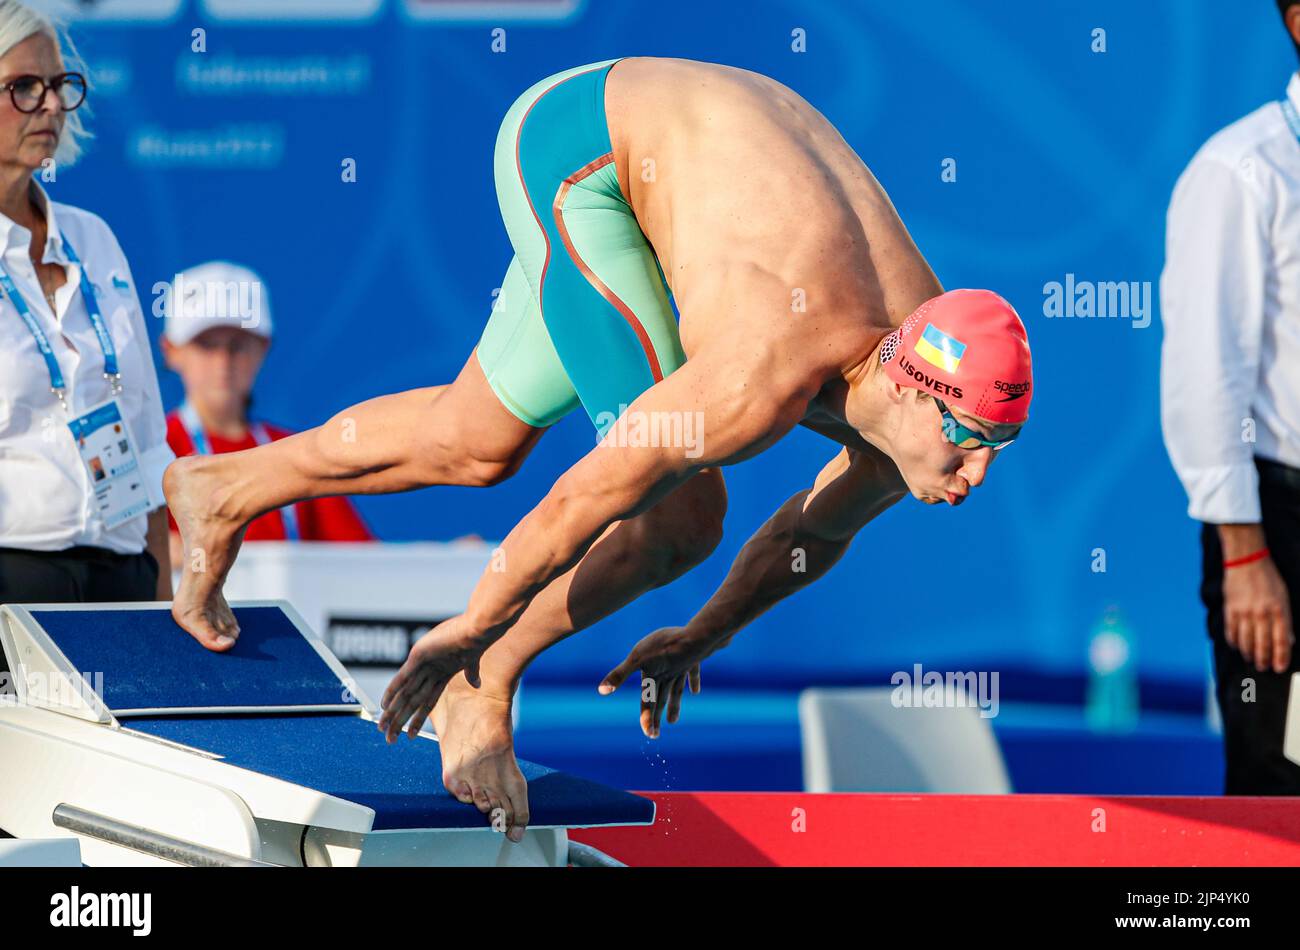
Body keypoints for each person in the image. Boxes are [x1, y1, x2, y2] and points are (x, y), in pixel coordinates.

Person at [165, 57, 1033, 839]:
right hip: (584, 158)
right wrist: (475, 632)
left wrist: (704, 633)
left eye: (1000, 444)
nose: (979, 469)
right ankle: (485, 684)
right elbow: (588, 494)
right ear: (913, 389)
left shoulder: (911, 381)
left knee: (476, 443)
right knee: (681, 517)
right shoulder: (760, 374)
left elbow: (816, 534)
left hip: (695, 169)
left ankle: (221, 487)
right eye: (970, 438)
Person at [1158, 1, 1300, 795]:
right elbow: (1205, 370)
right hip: (1279, 527)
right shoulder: (1243, 169)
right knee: (1285, 777)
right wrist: (1245, 553)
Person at [0, 1, 173, 604]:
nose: (49, 105)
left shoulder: (94, 238)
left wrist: (162, 599)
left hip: (120, 577)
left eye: (57, 85)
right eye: (23, 87)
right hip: (14, 575)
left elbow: (149, 438)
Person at [160, 260, 371, 572]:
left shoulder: (300, 452)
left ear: (263, 348)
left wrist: (441, 560)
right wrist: (158, 554)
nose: (223, 361)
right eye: (206, 345)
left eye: (238, 345)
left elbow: (364, 563)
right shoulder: (153, 449)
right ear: (172, 351)